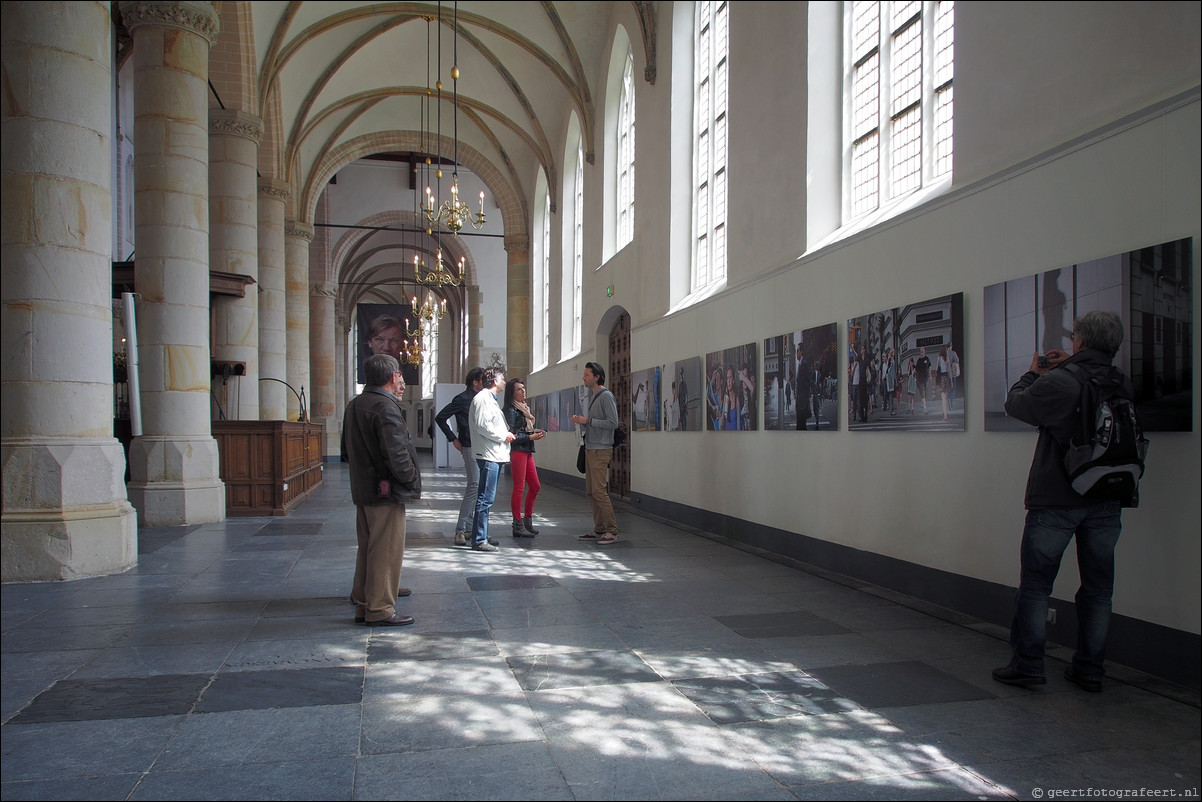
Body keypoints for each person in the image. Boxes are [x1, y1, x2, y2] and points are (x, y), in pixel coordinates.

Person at [992, 311, 1130, 693]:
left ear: (1080, 341)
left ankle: (1028, 666)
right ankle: (1090, 669)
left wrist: (1035, 372)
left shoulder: (1062, 381)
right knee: (1099, 589)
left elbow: (1017, 405)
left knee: (1036, 585)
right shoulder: (1119, 382)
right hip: (1107, 496)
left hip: (1057, 496)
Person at [341, 354, 421, 627]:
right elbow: (397, 456)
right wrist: (410, 480)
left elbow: (345, 452)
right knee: (386, 550)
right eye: (399, 375)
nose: (401, 380)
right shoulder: (385, 407)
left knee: (368, 547)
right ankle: (380, 609)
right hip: (385, 491)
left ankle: (364, 603)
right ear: (391, 377)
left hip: (363, 489)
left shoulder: (355, 404)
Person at [436, 367, 493, 547]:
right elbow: (441, 418)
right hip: (469, 446)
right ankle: (460, 530)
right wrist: (453, 439)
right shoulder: (463, 399)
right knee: (474, 486)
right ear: (475, 382)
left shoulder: (484, 399)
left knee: (479, 488)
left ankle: (470, 528)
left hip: (483, 447)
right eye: (483, 380)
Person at [569, 362, 620, 544]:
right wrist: (583, 421)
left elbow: (613, 422)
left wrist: (588, 420)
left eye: (587, 374)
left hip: (601, 449)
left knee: (599, 491)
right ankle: (599, 528)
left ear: (597, 376)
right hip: (591, 447)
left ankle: (612, 530)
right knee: (591, 492)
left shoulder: (606, 396)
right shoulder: (593, 396)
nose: (584, 377)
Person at [467, 367, 515, 552]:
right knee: (485, 498)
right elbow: (483, 426)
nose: (504, 382)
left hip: (492, 453)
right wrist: (504, 436)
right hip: (488, 455)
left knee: (486, 498)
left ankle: (482, 535)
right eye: (502, 378)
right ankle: (479, 539)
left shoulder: (488, 399)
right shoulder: (483, 399)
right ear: (494, 381)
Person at [502, 377, 545, 538]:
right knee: (519, 487)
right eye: (519, 389)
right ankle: (517, 524)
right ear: (512, 393)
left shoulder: (524, 408)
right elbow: (511, 436)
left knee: (535, 486)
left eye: (523, 388)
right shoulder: (510, 410)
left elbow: (523, 431)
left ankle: (527, 519)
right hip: (518, 450)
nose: (523, 391)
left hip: (527, 450)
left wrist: (534, 434)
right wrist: (530, 438)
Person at [795, 344, 810, 431]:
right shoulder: (801, 364)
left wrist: (802, 402)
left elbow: (807, 383)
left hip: (802, 403)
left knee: (801, 427)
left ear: (801, 352)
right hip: (800, 401)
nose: (796, 353)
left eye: (797, 351)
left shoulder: (804, 363)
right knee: (801, 426)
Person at [936, 345, 952, 422]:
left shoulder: (939, 358)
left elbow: (937, 370)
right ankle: (945, 411)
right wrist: (951, 380)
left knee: (943, 397)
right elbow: (949, 371)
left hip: (942, 377)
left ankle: (945, 414)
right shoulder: (947, 359)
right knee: (945, 396)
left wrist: (937, 382)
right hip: (947, 377)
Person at [915, 346, 932, 414]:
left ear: (924, 352)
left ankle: (924, 404)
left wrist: (930, 376)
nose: (922, 353)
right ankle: (925, 408)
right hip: (920, 379)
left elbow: (929, 368)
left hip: (926, 378)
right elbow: (916, 370)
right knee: (922, 392)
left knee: (926, 392)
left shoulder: (927, 359)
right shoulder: (919, 360)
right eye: (921, 351)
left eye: (923, 351)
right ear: (920, 352)